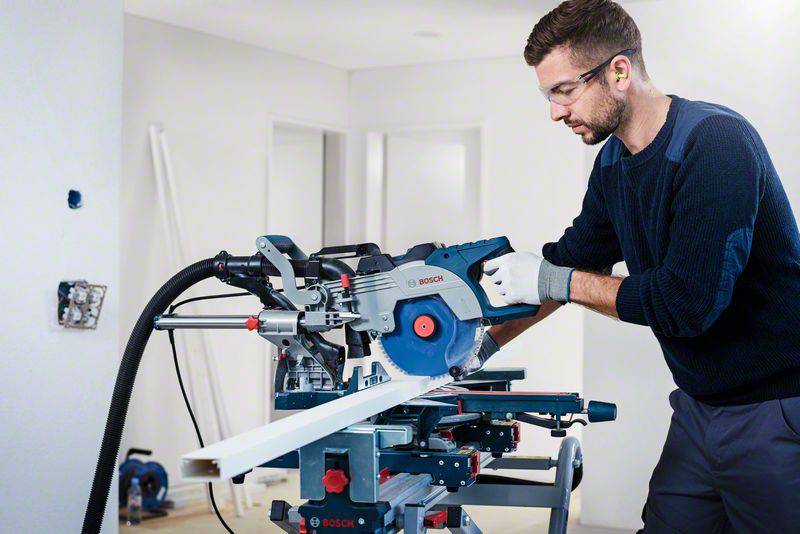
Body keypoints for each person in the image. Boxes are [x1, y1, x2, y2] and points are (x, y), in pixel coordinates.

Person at [474, 0, 800, 531]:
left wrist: (555, 279)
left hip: (776, 410)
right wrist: (476, 347)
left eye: (564, 91)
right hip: (698, 408)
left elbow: (686, 305)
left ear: (619, 72)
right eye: (548, 95)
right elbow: (567, 264)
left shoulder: (714, 144)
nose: (555, 112)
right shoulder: (614, 163)